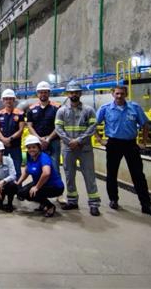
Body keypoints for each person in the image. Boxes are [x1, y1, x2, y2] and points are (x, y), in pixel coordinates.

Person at [95, 86, 151, 218]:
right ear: (112, 94)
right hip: (113, 143)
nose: (119, 96)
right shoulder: (105, 108)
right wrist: (100, 140)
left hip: (130, 144)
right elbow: (92, 125)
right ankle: (113, 199)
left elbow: (145, 124)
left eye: (122, 93)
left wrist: (143, 142)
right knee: (112, 173)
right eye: (117, 93)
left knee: (138, 175)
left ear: (126, 94)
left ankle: (146, 205)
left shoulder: (134, 107)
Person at [55, 81, 101, 216]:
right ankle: (72, 201)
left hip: (84, 148)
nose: (74, 94)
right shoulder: (62, 111)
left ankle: (94, 204)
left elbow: (92, 127)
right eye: (71, 92)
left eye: (76, 92)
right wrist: (69, 141)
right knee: (69, 175)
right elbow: (58, 128)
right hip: (69, 148)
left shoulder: (89, 110)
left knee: (89, 175)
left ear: (80, 93)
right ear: (68, 94)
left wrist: (79, 140)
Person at [26, 81, 61, 195]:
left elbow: (59, 126)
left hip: (53, 142)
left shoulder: (57, 108)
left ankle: (58, 193)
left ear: (49, 93)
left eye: (45, 92)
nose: (43, 94)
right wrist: (38, 139)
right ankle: (39, 190)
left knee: (54, 166)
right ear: (37, 93)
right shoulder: (32, 109)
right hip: (37, 144)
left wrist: (48, 139)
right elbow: (29, 125)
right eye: (41, 92)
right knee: (38, 167)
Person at [17, 136, 64, 218]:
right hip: (42, 184)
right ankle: (43, 203)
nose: (31, 149)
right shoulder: (31, 157)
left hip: (54, 186)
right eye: (29, 147)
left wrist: (36, 187)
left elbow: (46, 173)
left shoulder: (43, 157)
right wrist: (18, 182)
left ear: (39, 147)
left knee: (32, 193)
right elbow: (27, 171)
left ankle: (50, 206)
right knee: (22, 192)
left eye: (34, 147)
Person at [0, 89, 24, 177]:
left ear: (14, 100)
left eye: (10, 99)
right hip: (1, 147)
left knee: (17, 169)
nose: (8, 101)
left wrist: (10, 139)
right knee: (1, 168)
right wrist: (3, 140)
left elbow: (21, 129)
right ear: (3, 100)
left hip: (15, 146)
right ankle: (3, 189)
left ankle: (18, 189)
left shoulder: (20, 114)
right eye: (6, 99)